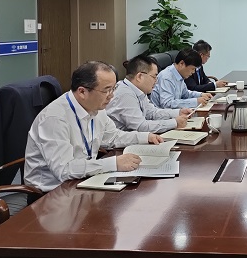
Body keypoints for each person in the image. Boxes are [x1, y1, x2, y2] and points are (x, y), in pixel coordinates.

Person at [24, 61, 164, 193]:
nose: (111, 96)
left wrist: (145, 137)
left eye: (113, 89)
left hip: (84, 181)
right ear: (82, 92)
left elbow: (113, 137)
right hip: (51, 194)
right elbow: (64, 170)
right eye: (106, 90)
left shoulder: (96, 108)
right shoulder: (54, 119)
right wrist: (113, 163)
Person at [106, 54, 192, 133]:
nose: (156, 81)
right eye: (154, 77)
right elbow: (141, 127)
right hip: (120, 143)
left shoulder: (137, 90)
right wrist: (174, 123)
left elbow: (152, 113)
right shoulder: (125, 94)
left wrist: (178, 112)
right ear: (140, 77)